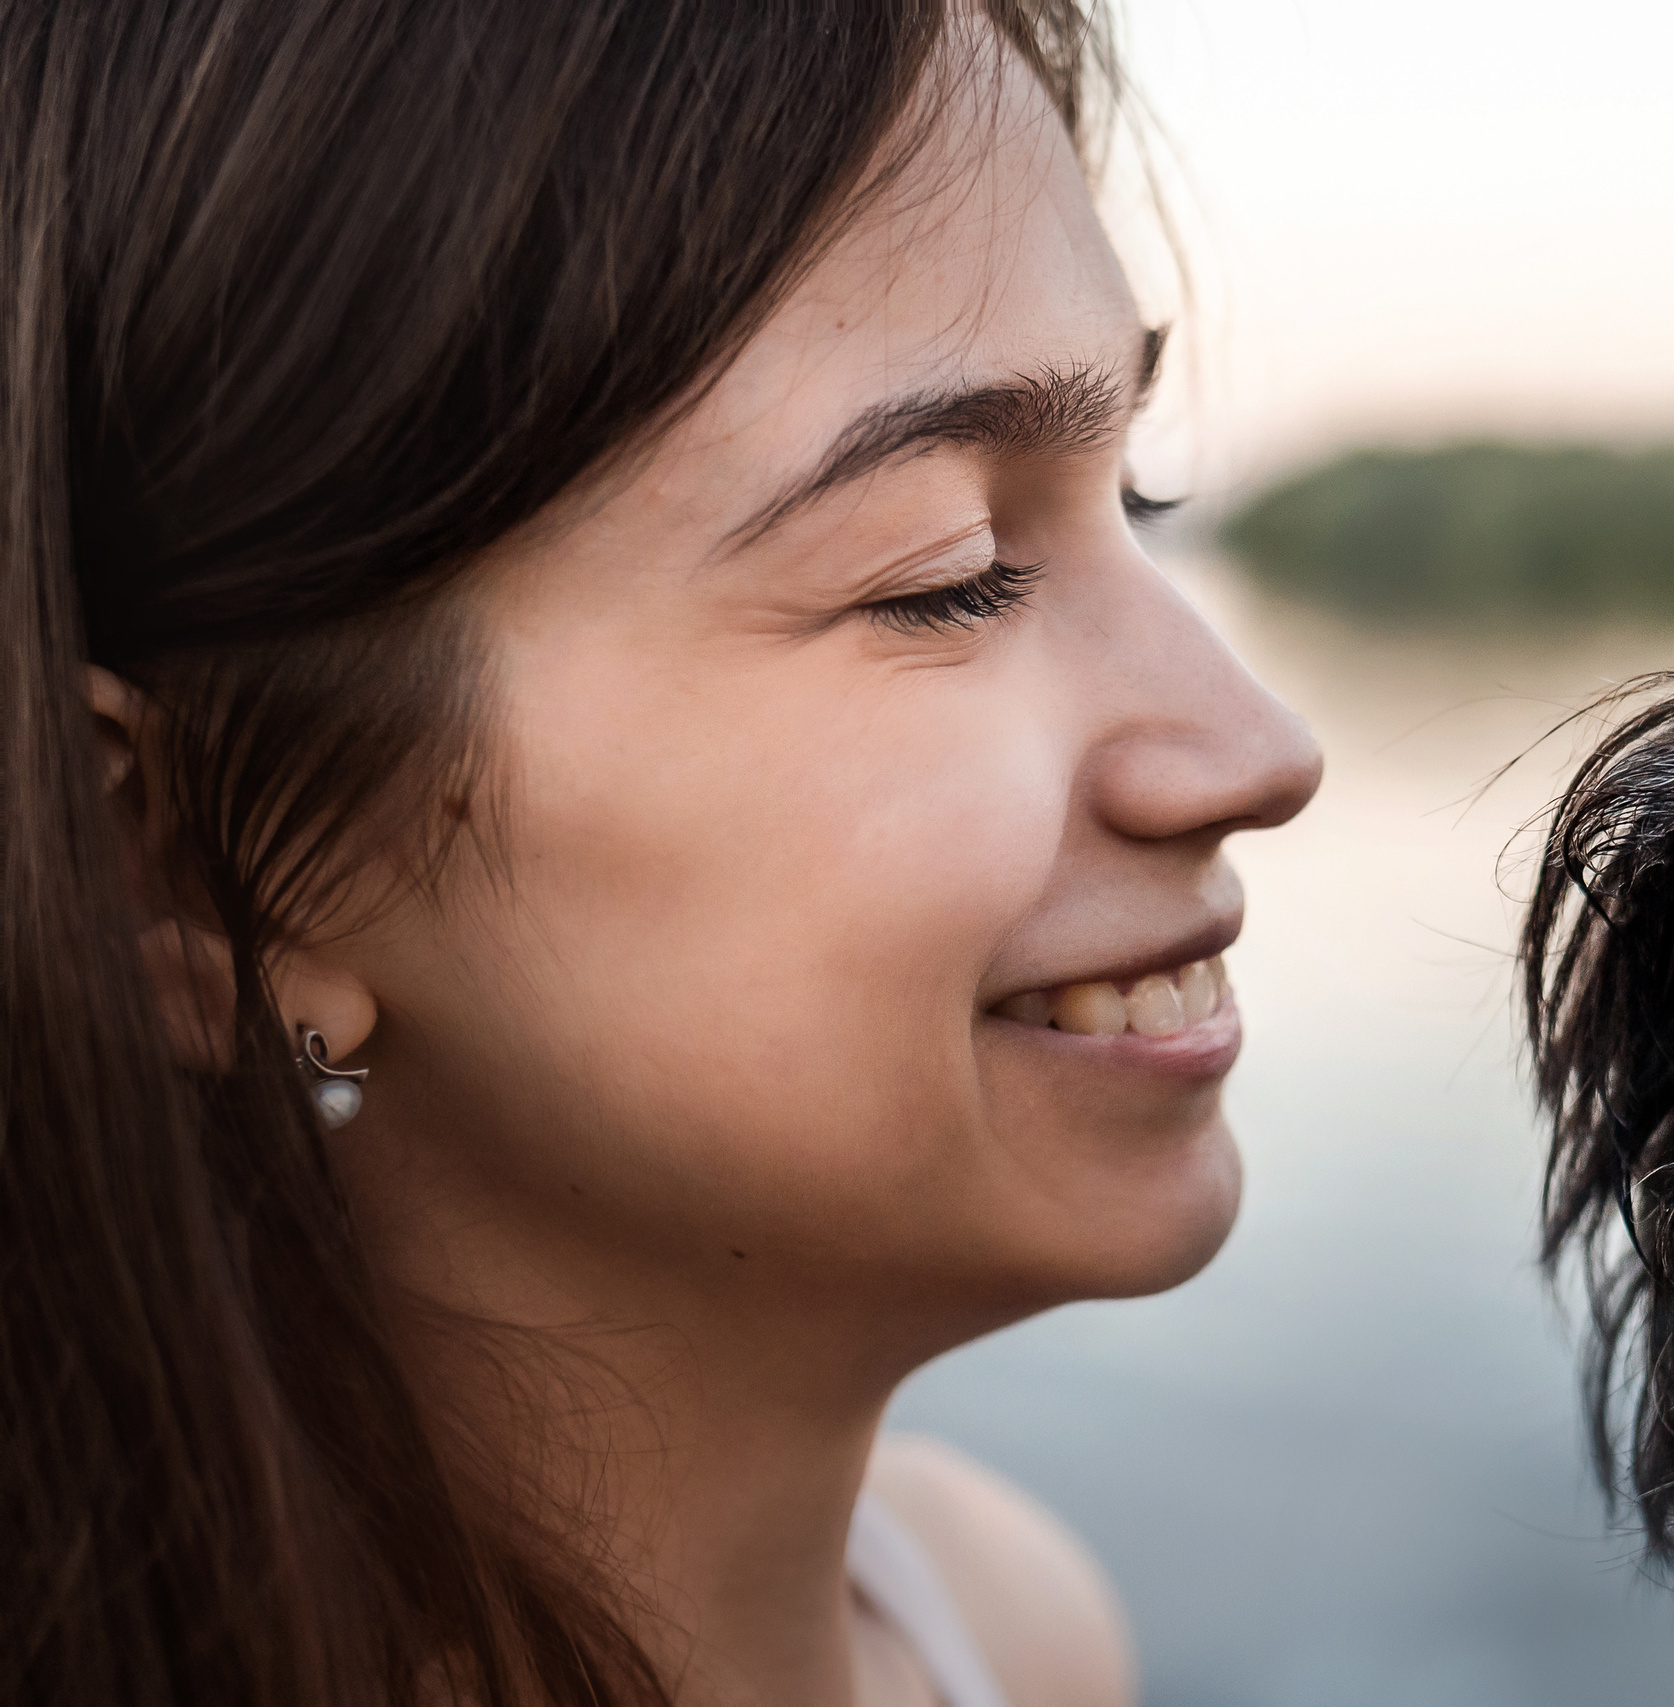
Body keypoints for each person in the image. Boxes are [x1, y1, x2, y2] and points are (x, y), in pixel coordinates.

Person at [0, 3, 1321, 1704]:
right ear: (171, 876)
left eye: (1131, 498)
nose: (1260, 750)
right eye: (947, 569)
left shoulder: (1011, 1627)